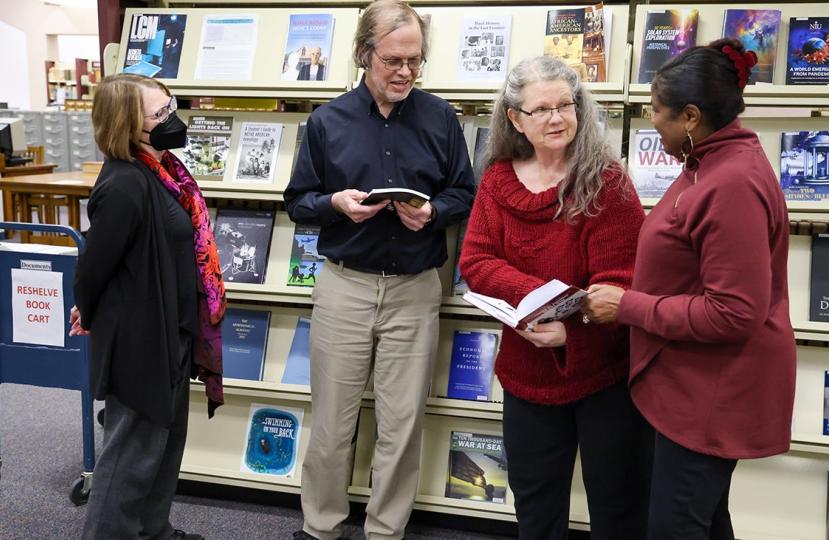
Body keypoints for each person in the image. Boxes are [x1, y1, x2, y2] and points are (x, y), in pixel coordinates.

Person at [581, 38, 796, 540]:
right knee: (705, 520)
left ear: (692, 116)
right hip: (694, 385)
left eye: (658, 112)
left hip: (713, 394)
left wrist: (629, 306)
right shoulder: (708, 166)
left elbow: (734, 312)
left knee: (677, 526)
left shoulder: (732, 184)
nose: (653, 122)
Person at [283, 0, 476, 538]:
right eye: (393, 60)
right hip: (345, 285)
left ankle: (386, 530)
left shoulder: (440, 117)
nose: (405, 72)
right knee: (331, 423)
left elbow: (465, 190)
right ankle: (320, 527)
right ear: (364, 54)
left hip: (416, 289)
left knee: (402, 423)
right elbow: (297, 199)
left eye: (415, 60)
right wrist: (335, 205)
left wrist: (434, 211)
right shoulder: (328, 120)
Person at [459, 56, 652, 539]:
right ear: (514, 119)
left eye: (565, 105)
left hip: (604, 374)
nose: (555, 118)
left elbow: (623, 280)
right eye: (540, 109)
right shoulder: (498, 179)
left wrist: (570, 328)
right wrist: (539, 299)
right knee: (536, 508)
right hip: (525, 374)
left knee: (619, 507)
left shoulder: (607, 180)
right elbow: (476, 262)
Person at [70, 73, 227, 540]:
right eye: (160, 116)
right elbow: (93, 266)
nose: (172, 120)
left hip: (171, 329)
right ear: (127, 127)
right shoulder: (123, 184)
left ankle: (151, 530)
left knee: (164, 442)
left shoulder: (165, 171)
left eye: (170, 107)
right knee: (130, 453)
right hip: (141, 338)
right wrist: (87, 308)